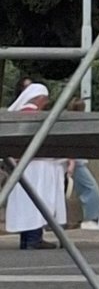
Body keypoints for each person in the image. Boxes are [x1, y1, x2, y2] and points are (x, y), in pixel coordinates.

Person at [4, 82, 61, 250]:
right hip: (37, 165)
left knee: (25, 202)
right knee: (37, 200)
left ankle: (27, 238)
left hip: (22, 165)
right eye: (45, 99)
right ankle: (34, 238)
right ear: (40, 98)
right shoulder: (36, 116)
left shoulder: (17, 114)